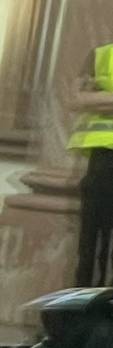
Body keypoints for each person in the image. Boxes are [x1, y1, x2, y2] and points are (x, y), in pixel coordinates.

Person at [72, 45, 113, 289]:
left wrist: (102, 98)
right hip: (103, 160)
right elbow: (78, 99)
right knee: (92, 239)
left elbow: (90, 99)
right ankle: (83, 311)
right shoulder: (101, 55)